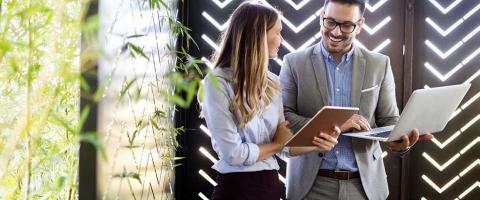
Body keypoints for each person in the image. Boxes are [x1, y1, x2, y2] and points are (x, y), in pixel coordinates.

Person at [280, 0, 433, 199]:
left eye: (346, 25)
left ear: (360, 24)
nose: (335, 32)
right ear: (321, 16)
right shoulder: (294, 62)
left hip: (364, 187)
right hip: (310, 186)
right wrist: (337, 124)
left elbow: (389, 120)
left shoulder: (379, 64)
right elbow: (283, 118)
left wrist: (400, 142)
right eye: (330, 22)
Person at [200, 1, 341, 199]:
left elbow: (285, 146)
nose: (281, 40)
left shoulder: (272, 82)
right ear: (257, 36)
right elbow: (233, 153)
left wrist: (319, 144)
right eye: (277, 32)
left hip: (270, 187)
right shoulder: (216, 83)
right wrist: (276, 145)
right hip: (235, 189)